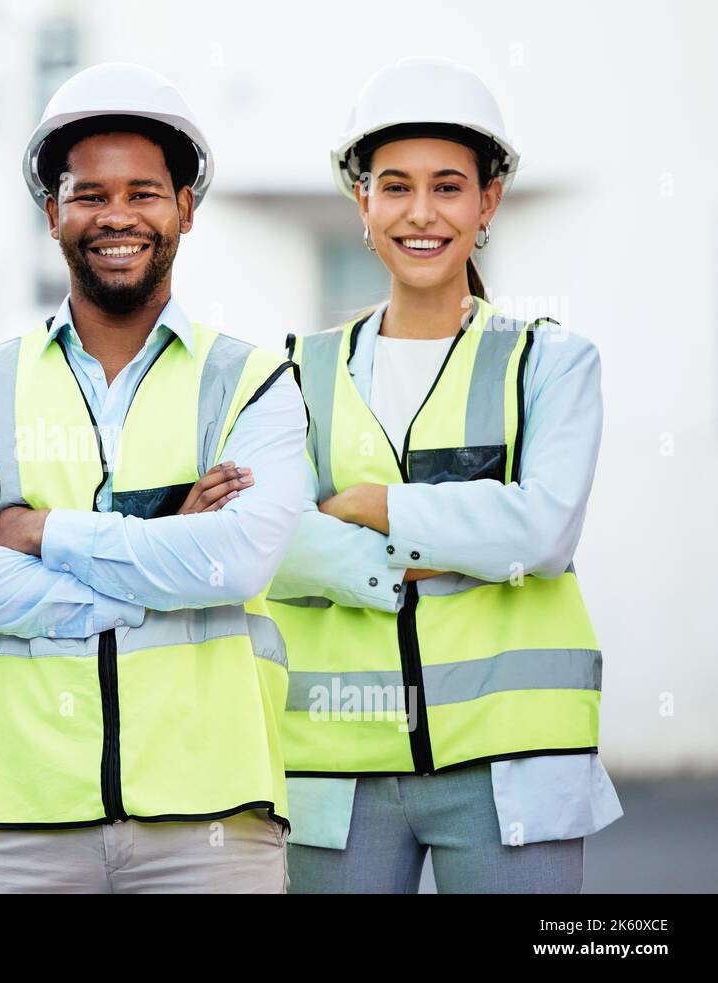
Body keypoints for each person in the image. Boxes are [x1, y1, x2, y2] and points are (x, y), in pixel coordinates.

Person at [0, 63, 307, 894]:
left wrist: (41, 531)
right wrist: (161, 558)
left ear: (185, 209)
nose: (116, 216)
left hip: (213, 821)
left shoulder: (257, 384)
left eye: (144, 192)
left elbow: (235, 564)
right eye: (90, 194)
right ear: (52, 212)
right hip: (20, 817)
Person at [267, 57, 622, 893]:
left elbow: (541, 531)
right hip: (336, 765)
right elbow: (264, 543)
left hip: (511, 765)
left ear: (487, 201)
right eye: (394, 186)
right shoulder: (292, 371)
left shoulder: (551, 362)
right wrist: (457, 532)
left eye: (448, 186)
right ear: (362, 201)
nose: (420, 213)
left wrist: (365, 505)